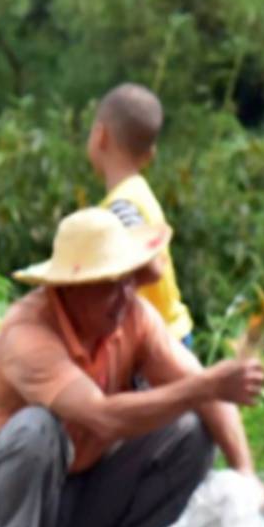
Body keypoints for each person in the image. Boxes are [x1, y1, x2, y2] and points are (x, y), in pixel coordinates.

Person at [0, 207, 263, 527]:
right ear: (70, 289)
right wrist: (205, 386)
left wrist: (245, 474)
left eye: (127, 280)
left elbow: (206, 393)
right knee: (37, 428)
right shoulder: (27, 332)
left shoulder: (135, 317)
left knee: (190, 428)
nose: (123, 296)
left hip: (80, 498)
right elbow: (102, 416)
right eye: (108, 285)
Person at [89, 83, 193, 345]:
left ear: (100, 135)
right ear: (150, 154)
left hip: (156, 342)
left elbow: (145, 263)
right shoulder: (139, 193)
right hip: (171, 330)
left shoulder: (121, 207)